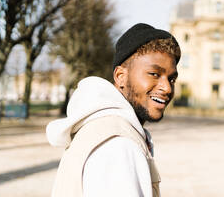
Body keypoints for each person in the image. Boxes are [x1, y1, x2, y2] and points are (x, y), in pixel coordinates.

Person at [46, 23, 181, 197]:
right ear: (120, 76)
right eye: (154, 74)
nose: (167, 88)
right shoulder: (119, 144)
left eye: (171, 79)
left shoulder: (104, 128)